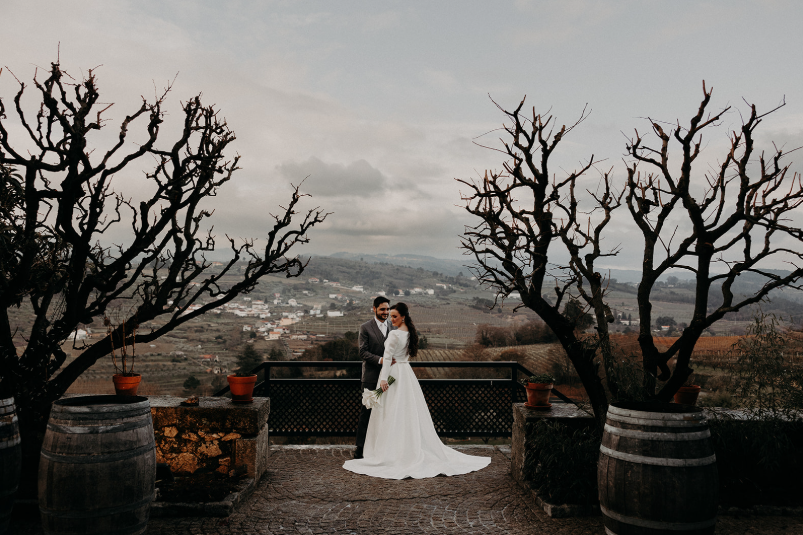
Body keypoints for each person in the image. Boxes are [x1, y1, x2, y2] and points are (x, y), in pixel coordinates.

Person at [344, 303, 491, 479]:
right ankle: (407, 446)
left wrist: (383, 380)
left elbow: (389, 358)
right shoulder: (410, 334)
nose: (391, 319)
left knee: (390, 412)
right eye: (390, 316)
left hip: (393, 373)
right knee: (406, 411)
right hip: (406, 374)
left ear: (403, 317)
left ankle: (390, 451)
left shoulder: (394, 334)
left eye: (394, 316)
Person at [354, 296, 394, 459]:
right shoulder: (365, 328)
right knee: (367, 412)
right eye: (382, 309)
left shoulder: (393, 326)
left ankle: (382, 448)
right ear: (374, 309)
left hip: (390, 378)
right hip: (371, 377)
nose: (386, 312)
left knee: (387, 413)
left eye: (388, 309)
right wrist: (381, 360)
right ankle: (360, 449)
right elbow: (362, 352)